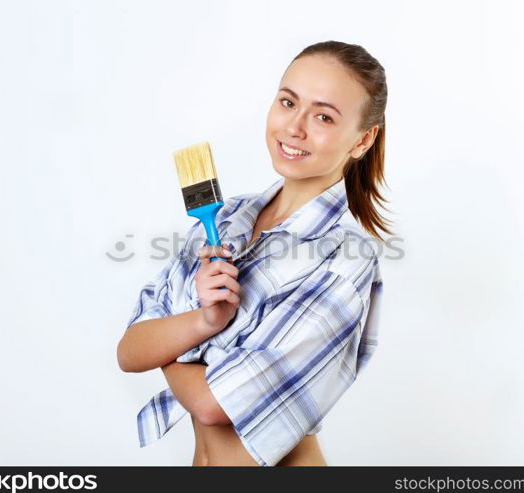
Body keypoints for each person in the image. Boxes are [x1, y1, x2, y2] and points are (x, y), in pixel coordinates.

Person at [117, 40, 393, 466]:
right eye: (288, 102)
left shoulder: (344, 260)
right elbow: (131, 350)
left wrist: (171, 346)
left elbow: (216, 405)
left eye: (323, 116)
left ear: (362, 140)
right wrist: (205, 320)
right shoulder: (223, 219)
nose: (295, 128)